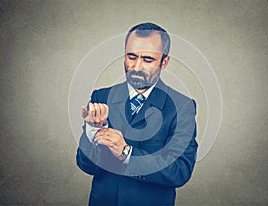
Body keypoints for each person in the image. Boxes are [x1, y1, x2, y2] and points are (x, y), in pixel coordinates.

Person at [76, 22, 198, 206]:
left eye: (148, 59)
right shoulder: (101, 97)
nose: (136, 66)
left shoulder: (182, 107)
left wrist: (127, 153)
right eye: (131, 56)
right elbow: (86, 165)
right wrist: (93, 131)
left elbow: (180, 172)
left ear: (164, 62)